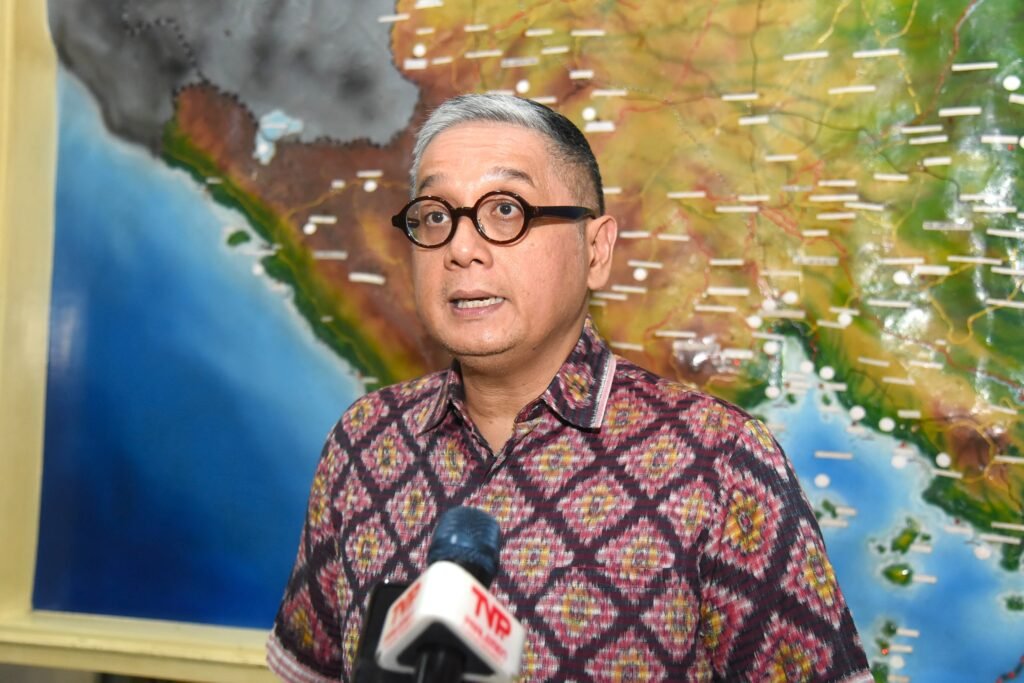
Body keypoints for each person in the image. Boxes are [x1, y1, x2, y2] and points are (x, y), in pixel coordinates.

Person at [267, 93, 872, 682]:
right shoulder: (363, 441)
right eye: (436, 216)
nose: (461, 248)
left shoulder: (719, 461)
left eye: (506, 210)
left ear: (596, 249)